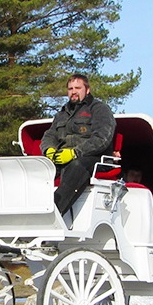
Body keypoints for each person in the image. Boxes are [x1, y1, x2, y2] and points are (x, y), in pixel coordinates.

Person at [40, 74, 116, 216]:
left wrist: (75, 152)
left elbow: (102, 138)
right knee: (37, 169)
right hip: (63, 158)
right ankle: (27, 211)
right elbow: (49, 135)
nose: (73, 91)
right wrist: (49, 150)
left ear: (87, 90)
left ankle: (52, 214)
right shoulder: (62, 114)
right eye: (70, 88)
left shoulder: (99, 109)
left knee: (77, 165)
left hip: (93, 158)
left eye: (77, 88)